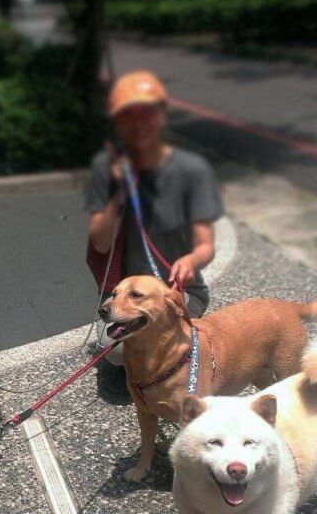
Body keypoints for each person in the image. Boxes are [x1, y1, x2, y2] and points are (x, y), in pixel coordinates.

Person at [86, 70, 223, 364]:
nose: (138, 124)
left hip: (176, 292)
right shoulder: (105, 168)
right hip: (125, 295)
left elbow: (205, 245)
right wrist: (118, 192)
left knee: (155, 345)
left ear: (161, 115)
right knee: (118, 351)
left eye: (146, 113)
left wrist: (191, 261)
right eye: (128, 116)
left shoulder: (191, 170)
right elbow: (99, 243)